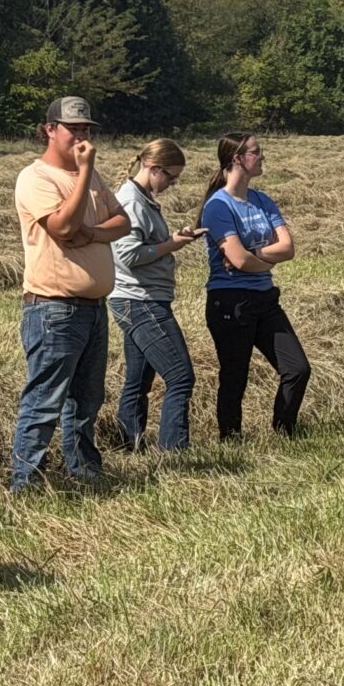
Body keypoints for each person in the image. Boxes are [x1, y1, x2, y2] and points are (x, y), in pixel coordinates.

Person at [10, 96, 129, 491]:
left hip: (93, 308)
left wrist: (92, 234)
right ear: (50, 130)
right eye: (73, 128)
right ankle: (27, 482)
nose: (81, 136)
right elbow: (62, 227)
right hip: (54, 309)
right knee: (44, 402)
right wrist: (85, 172)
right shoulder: (36, 178)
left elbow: (122, 221)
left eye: (86, 130)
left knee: (86, 401)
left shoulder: (89, 177)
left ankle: (84, 472)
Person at [200, 134, 309, 439]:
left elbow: (287, 248)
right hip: (230, 301)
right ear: (237, 159)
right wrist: (255, 259)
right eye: (256, 153)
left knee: (297, 369)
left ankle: (284, 430)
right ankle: (231, 437)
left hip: (265, 298)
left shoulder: (262, 200)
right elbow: (236, 259)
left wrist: (255, 257)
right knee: (235, 375)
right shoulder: (218, 207)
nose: (262, 158)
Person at [110, 139, 202, 453]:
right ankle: (174, 452)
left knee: (138, 381)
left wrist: (175, 238)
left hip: (137, 298)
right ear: (153, 168)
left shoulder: (141, 198)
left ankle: (128, 446)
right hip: (140, 300)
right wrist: (172, 245)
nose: (172, 184)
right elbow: (129, 255)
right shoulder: (131, 201)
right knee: (180, 377)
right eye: (171, 177)